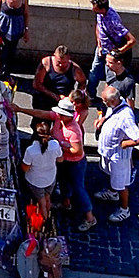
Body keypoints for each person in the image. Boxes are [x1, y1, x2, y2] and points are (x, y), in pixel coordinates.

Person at [96, 83, 139, 221]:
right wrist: (102, 120)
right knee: (111, 175)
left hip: (119, 157)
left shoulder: (126, 117)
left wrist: (126, 143)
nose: (104, 103)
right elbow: (109, 114)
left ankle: (124, 209)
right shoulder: (115, 105)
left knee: (121, 184)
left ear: (112, 101)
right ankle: (112, 192)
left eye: (105, 101)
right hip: (109, 152)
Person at [54, 78, 95, 228]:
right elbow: (44, 113)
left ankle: (90, 218)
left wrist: (60, 146)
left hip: (75, 162)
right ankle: (66, 204)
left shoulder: (74, 128)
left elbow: (77, 150)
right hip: (65, 161)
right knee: (64, 182)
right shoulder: (61, 119)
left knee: (78, 188)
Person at [91, 0, 136, 98]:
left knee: (110, 77)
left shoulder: (113, 21)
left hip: (111, 53)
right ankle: (91, 95)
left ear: (102, 9)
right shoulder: (99, 14)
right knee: (94, 72)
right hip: (102, 49)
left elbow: (132, 40)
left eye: (95, 7)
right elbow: (99, 26)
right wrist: (99, 43)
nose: (92, 9)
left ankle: (110, 98)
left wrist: (118, 52)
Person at [0, 0, 30, 78]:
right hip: (3, 26)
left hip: (16, 28)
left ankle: (7, 72)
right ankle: (0, 72)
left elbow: (25, 13)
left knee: (12, 51)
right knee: (2, 51)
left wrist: (26, 30)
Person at [33, 43, 82, 115]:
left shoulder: (75, 69)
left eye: (64, 62)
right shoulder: (46, 63)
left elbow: (82, 83)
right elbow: (36, 84)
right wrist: (54, 95)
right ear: (54, 56)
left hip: (64, 101)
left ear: (69, 58)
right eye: (58, 62)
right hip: (45, 98)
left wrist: (74, 97)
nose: (61, 65)